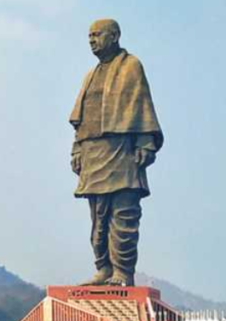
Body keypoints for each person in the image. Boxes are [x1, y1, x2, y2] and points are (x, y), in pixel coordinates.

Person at [69, 18, 163, 287]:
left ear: (115, 36)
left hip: (121, 152)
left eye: (97, 34)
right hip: (93, 153)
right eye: (89, 36)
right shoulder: (91, 75)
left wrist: (145, 142)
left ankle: (122, 272)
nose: (91, 40)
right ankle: (103, 268)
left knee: (124, 215)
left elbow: (140, 104)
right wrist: (76, 150)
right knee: (98, 217)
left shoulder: (130, 66)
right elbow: (80, 120)